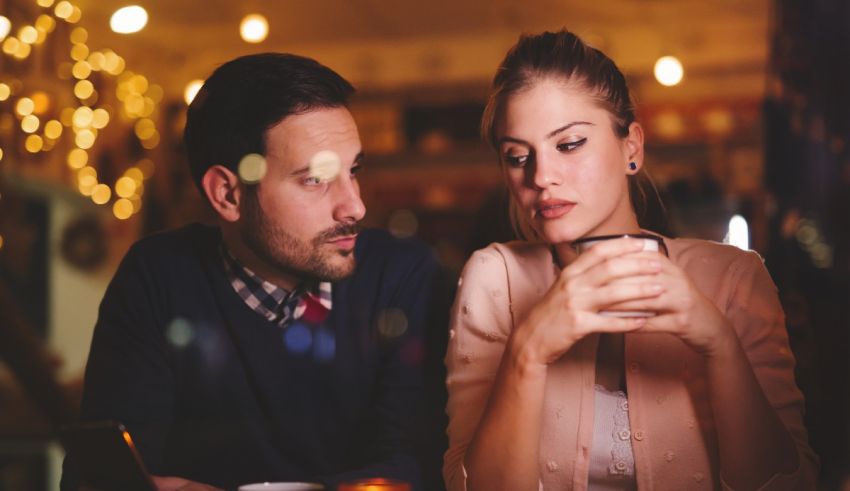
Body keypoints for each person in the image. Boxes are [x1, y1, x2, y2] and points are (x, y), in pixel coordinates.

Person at [443, 30, 818, 490]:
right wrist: (528, 351)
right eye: (518, 156)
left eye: (569, 144)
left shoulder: (734, 278)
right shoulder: (495, 278)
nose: (541, 176)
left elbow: (791, 484)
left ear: (632, 147)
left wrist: (719, 342)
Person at [61, 53, 443, 491]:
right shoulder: (158, 277)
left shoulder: (402, 274)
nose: (355, 205)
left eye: (352, 170)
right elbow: (106, 477)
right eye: (315, 179)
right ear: (227, 194)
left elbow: (416, 467)